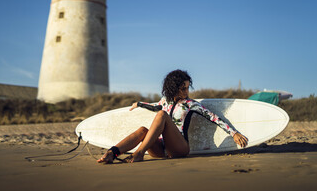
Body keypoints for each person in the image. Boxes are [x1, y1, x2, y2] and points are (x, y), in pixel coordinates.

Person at [97, 69, 248, 164]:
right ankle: (112, 153)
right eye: (183, 88)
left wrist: (234, 133)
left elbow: (213, 117)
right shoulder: (164, 101)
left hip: (179, 149)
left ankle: (139, 153)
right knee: (143, 130)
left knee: (162, 115)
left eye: (188, 87)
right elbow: (154, 107)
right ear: (173, 88)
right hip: (160, 150)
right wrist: (139, 103)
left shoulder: (190, 104)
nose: (186, 92)